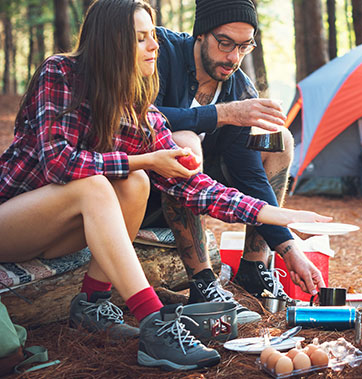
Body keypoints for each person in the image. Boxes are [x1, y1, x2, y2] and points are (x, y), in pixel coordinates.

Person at [0, 0, 329, 370]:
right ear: (112, 42)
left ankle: (91, 304)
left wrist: (276, 215)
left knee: (135, 183)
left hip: (64, 232)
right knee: (99, 184)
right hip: (2, 223)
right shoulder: (61, 72)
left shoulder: (138, 105)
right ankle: (155, 323)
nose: (154, 46)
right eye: (141, 39)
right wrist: (144, 160)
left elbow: (193, 186)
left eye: (152, 36)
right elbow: (60, 164)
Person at [147, 0, 322, 321]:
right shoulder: (161, 52)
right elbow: (140, 117)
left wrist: (289, 249)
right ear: (200, 35)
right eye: (225, 43)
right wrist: (221, 114)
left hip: (203, 191)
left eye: (244, 46)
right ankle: (202, 282)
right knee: (184, 144)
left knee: (277, 139)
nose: (233, 58)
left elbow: (249, 174)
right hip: (142, 188)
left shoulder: (238, 87)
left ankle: (254, 266)